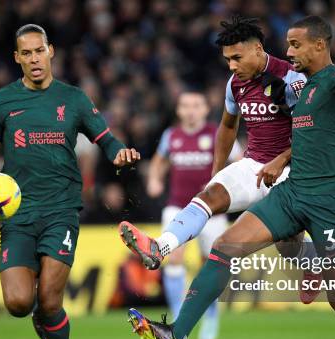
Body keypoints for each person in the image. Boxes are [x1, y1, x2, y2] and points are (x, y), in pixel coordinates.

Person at [127, 16, 335, 339]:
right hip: (293, 190)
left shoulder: (334, 79)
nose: (288, 51)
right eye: (288, 45)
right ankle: (176, 335)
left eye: (296, 45)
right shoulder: (300, 87)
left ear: (320, 45)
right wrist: (280, 159)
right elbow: (301, 137)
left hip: (333, 201)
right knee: (224, 247)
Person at [0, 24, 139, 339]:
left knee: (50, 300)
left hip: (61, 209)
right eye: (26, 53)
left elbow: (106, 137)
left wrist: (118, 152)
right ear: (17, 57)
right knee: (18, 304)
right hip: (16, 213)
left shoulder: (74, 99)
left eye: (39, 51)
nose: (34, 59)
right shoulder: (1, 101)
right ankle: (44, 324)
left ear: (51, 51)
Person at [119, 16, 322, 305]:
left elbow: (312, 131)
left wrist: (282, 159)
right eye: (227, 60)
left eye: (237, 58)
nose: (232, 66)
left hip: (292, 170)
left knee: (287, 246)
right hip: (254, 166)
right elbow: (228, 126)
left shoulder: (292, 79)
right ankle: (159, 247)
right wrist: (217, 172)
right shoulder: (235, 84)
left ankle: (311, 264)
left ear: (257, 49)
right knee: (207, 196)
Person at [148, 90, 241, 339]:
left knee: (209, 263)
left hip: (212, 210)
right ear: (179, 110)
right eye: (185, 106)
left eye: (196, 105)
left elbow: (241, 162)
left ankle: (210, 315)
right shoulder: (171, 136)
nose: (190, 110)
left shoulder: (218, 133)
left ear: (204, 109)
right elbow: (158, 162)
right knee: (173, 256)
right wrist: (155, 178)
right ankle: (179, 314)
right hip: (178, 207)